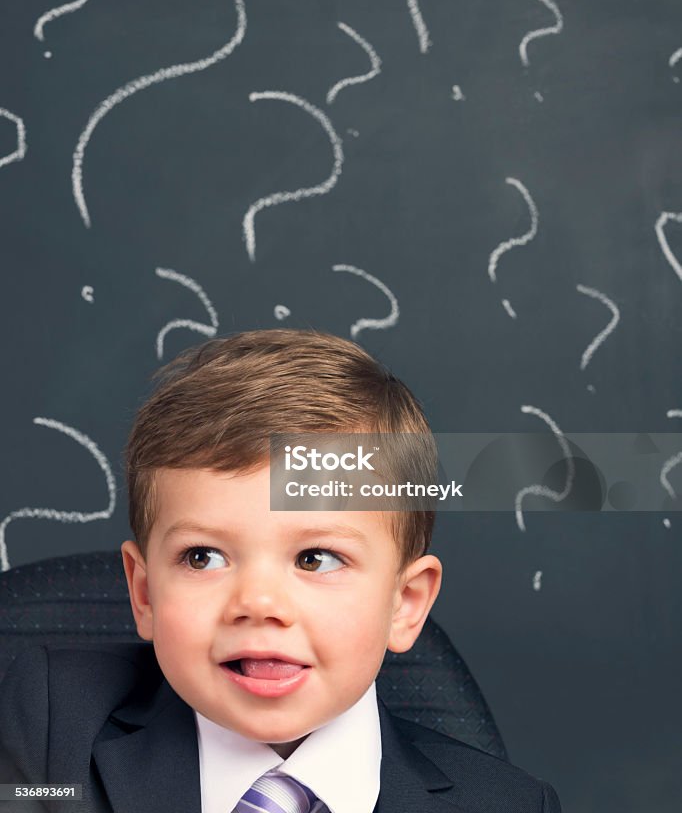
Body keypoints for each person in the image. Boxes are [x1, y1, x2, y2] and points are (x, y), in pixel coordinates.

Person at [0, 329, 561, 812]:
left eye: (315, 559)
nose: (259, 602)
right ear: (143, 593)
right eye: (203, 557)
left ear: (406, 603)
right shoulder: (55, 735)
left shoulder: (506, 805)